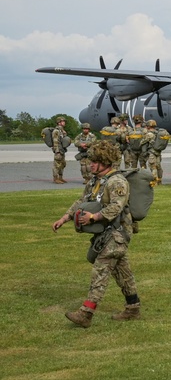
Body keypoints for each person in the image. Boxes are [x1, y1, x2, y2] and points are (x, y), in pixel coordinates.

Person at [52, 140, 141, 327]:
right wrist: (65, 218)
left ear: (105, 161)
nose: (90, 164)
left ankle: (86, 313)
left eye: (94, 161)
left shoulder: (117, 182)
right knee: (122, 272)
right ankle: (133, 308)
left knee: (100, 271)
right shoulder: (95, 180)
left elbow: (116, 207)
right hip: (106, 233)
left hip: (117, 234)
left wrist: (94, 217)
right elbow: (82, 201)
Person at [51, 116, 70, 184]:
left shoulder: (62, 131)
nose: (64, 123)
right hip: (58, 150)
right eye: (63, 121)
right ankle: (56, 178)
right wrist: (57, 151)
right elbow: (55, 141)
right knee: (57, 165)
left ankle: (60, 178)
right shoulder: (56, 131)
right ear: (59, 122)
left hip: (62, 150)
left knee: (62, 164)